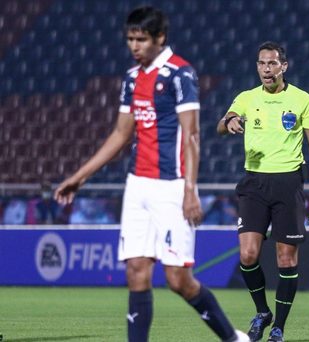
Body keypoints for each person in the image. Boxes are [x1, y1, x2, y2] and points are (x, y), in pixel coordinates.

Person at [54, 6, 248, 342]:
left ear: (159, 38)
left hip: (172, 187)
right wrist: (80, 176)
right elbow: (120, 133)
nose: (134, 45)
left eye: (141, 39)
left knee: (178, 280)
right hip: (137, 185)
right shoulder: (132, 78)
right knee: (136, 273)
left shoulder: (180, 74)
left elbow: (192, 135)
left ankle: (232, 337)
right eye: (130, 39)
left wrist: (190, 190)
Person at [217, 41, 309, 342]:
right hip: (254, 182)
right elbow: (221, 124)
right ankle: (262, 311)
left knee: (285, 259)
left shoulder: (305, 100)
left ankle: (278, 326)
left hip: (288, 182)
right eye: (261, 63)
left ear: (284, 66)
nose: (266, 69)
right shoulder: (246, 98)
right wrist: (230, 121)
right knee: (248, 254)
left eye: (272, 63)